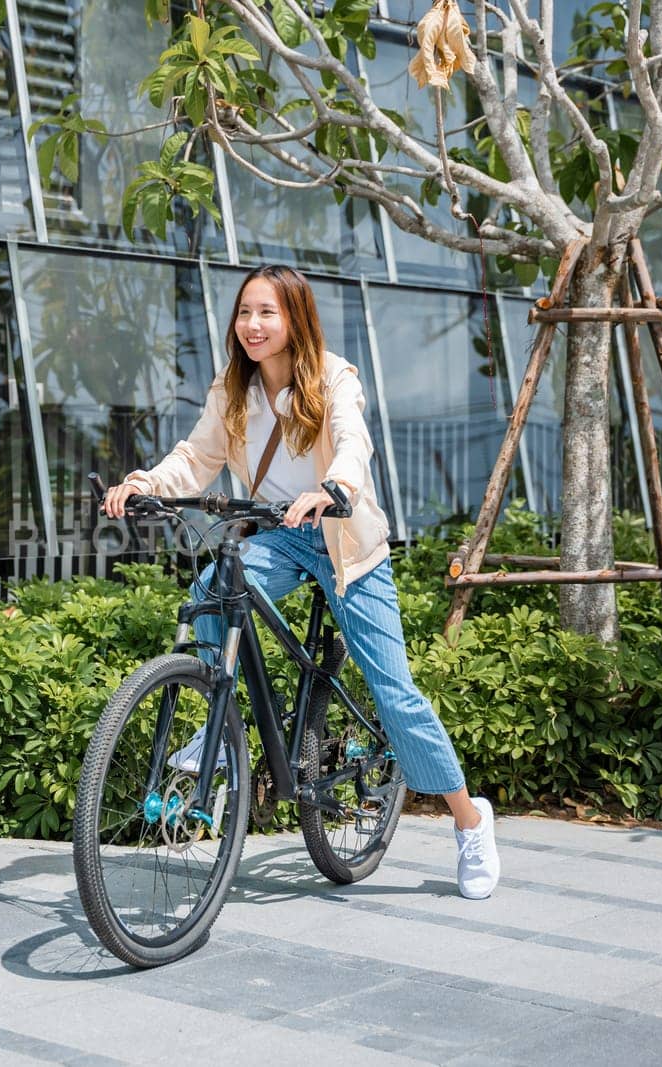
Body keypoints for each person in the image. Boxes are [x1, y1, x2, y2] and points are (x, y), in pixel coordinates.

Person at [101, 265, 500, 900]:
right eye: (243, 314)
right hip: (278, 534)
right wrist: (146, 482)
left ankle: (469, 819)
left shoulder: (333, 378)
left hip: (344, 541)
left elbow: (352, 443)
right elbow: (197, 456)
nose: (252, 326)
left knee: (393, 692)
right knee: (211, 589)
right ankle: (219, 722)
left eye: (267, 313)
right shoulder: (233, 389)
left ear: (295, 319)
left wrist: (334, 487)